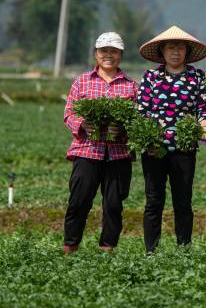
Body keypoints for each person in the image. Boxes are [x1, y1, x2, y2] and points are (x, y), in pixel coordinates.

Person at [137, 25, 206, 253]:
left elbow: (205, 107)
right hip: (154, 149)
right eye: (170, 47)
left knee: (183, 201)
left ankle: (184, 249)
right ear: (162, 52)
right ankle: (151, 250)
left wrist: (204, 125)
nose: (175, 52)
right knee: (154, 201)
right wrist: (148, 139)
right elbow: (142, 110)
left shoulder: (197, 77)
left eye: (180, 48)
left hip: (184, 148)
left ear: (186, 52)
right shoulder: (151, 76)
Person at [62, 32, 137, 254]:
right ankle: (70, 247)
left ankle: (107, 250)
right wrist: (83, 124)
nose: (108, 56)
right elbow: (69, 113)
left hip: (118, 153)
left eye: (113, 51)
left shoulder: (131, 86)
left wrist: (123, 129)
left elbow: (138, 120)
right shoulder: (82, 81)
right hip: (87, 151)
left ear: (120, 55)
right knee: (78, 201)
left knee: (113, 205)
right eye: (104, 51)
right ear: (96, 54)